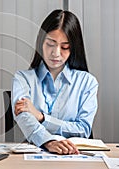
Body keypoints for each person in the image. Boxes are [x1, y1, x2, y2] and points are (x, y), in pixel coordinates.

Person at [11, 9, 98, 155]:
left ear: (73, 48)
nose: (56, 53)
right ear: (41, 43)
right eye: (50, 44)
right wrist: (48, 142)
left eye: (65, 47)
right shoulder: (23, 78)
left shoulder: (87, 82)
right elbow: (24, 116)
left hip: (74, 157)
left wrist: (42, 117)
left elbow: (83, 129)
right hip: (32, 157)